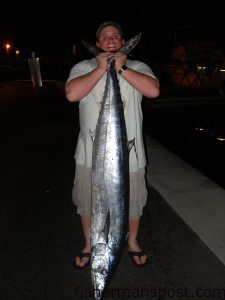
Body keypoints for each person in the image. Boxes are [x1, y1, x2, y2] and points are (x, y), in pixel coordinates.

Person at [65, 21, 160, 268]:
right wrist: (100, 69)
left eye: (115, 36)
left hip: (130, 155)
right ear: (97, 44)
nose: (110, 39)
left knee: (134, 202)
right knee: (87, 201)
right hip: (89, 155)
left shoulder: (137, 66)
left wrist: (122, 68)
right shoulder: (83, 67)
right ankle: (89, 244)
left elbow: (153, 91)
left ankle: (133, 241)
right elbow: (72, 94)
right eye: (105, 36)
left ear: (122, 41)